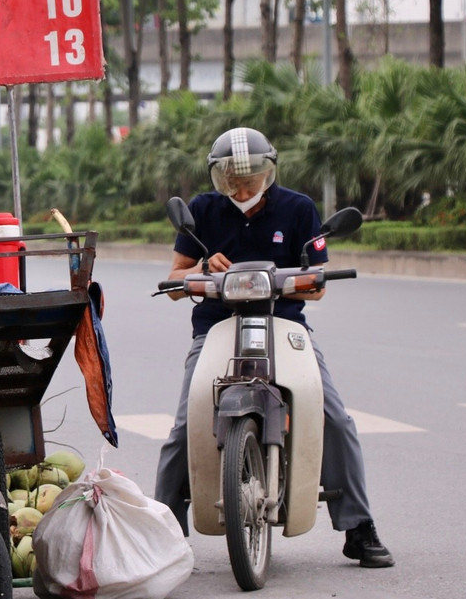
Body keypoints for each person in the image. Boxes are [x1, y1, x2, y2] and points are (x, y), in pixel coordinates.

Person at [155, 127, 394, 568]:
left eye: (249, 180)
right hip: (217, 328)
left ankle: (358, 526)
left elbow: (319, 283)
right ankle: (161, 534)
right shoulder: (203, 210)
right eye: (232, 181)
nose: (241, 189)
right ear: (218, 178)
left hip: (283, 324)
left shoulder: (299, 208)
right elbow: (174, 281)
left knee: (334, 417)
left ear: (269, 172)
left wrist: (298, 280)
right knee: (185, 424)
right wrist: (204, 267)